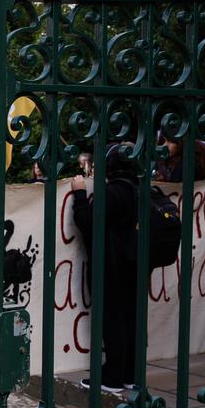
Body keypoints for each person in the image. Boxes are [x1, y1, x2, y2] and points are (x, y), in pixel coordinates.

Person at [71, 144, 141, 392]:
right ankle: (130, 374)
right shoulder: (137, 189)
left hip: (111, 264)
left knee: (112, 319)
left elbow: (87, 222)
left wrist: (79, 195)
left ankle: (112, 376)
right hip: (135, 263)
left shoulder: (112, 192)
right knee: (131, 317)